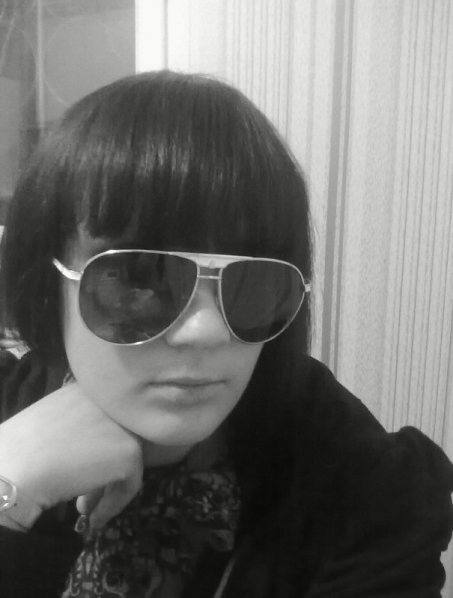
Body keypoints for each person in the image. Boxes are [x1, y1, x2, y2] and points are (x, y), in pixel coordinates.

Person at [0, 70, 451, 598]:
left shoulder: (357, 484)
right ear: (48, 284)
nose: (206, 331)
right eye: (140, 277)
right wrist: (10, 490)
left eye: (251, 282)